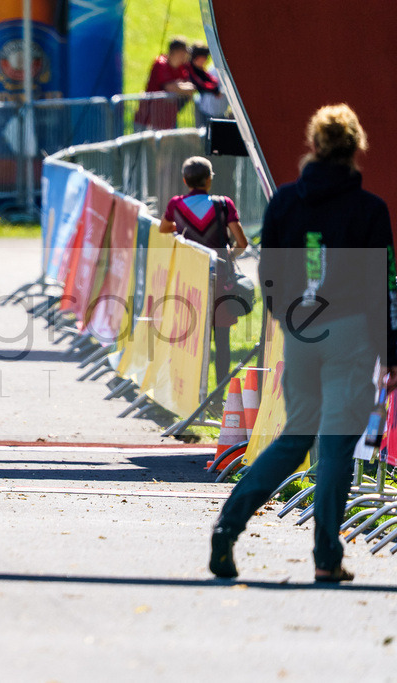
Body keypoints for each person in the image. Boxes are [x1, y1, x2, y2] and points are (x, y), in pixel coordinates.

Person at [209, 104, 395, 584]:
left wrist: (287, 320)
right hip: (351, 333)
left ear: (312, 146)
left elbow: (268, 271)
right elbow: (385, 288)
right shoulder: (370, 210)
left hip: (301, 331)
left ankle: (228, 528)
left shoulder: (286, 202)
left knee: (295, 438)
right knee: (334, 447)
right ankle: (327, 556)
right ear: (356, 150)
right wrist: (392, 352)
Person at [159, 156, 248, 386]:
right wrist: (229, 257)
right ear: (209, 180)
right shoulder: (223, 204)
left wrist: (182, 228)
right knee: (222, 338)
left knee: (191, 338)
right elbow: (242, 242)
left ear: (184, 180)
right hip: (219, 278)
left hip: (189, 277)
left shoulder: (176, 204)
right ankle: (218, 396)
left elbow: (164, 227)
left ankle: (188, 390)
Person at [136, 38, 195, 130]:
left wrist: (178, 86)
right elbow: (169, 87)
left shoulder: (181, 67)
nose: (186, 56)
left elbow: (191, 88)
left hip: (167, 120)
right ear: (177, 52)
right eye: (184, 52)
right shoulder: (161, 63)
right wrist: (179, 87)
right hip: (148, 120)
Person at [187, 43, 228, 127]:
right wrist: (215, 90)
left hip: (209, 108)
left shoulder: (200, 69)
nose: (205, 60)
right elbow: (200, 84)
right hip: (204, 109)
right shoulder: (189, 68)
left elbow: (209, 79)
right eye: (204, 57)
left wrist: (215, 88)